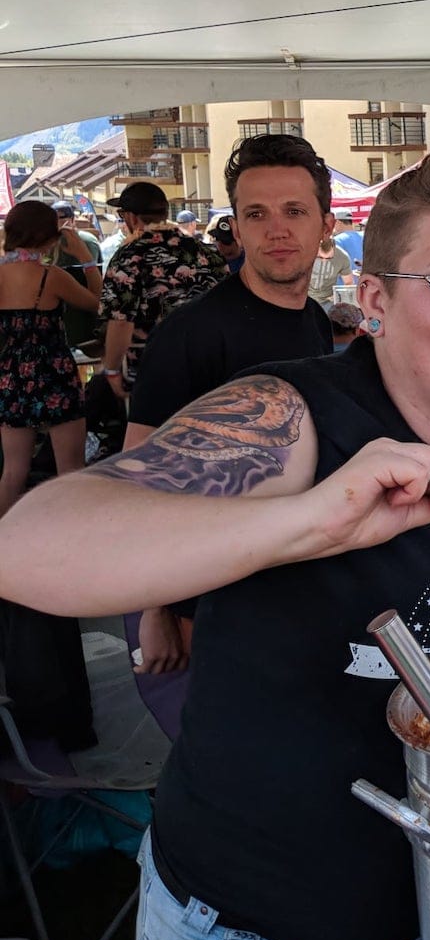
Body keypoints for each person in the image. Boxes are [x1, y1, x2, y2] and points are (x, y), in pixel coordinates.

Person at [0, 147, 430, 940]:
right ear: (374, 299)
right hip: (259, 924)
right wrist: (311, 522)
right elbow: (31, 546)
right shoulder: (287, 417)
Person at [125, 133, 339, 673]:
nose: (278, 230)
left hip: (300, 578)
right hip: (215, 594)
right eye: (257, 214)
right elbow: (139, 479)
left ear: (326, 224)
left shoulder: (314, 320)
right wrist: (156, 608)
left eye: (294, 210)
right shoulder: (192, 333)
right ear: (237, 227)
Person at [0, 202, 103, 519]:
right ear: (49, 236)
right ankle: (70, 536)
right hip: (55, 375)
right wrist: (86, 259)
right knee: (70, 470)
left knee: (14, 470)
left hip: (10, 377)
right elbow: (98, 303)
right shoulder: (52, 276)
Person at [98, 182, 227, 401]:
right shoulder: (206, 251)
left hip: (155, 369)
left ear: (131, 217)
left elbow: (120, 321)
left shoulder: (129, 257)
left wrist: (111, 370)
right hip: (210, 364)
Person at [45, 200, 101, 351]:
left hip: (81, 313)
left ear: (72, 219)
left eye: (61, 217)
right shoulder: (46, 244)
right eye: (52, 218)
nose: (57, 222)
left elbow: (94, 274)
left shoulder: (86, 241)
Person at [307, 233, 353, 306]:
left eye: (329, 258)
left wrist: (338, 296)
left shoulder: (342, 257)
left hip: (328, 300)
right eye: (320, 257)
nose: (324, 261)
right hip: (306, 299)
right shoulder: (305, 252)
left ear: (334, 247)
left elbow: (348, 283)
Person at [331, 206, 365, 273]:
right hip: (363, 281)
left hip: (343, 282)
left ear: (338, 222)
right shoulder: (365, 237)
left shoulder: (337, 240)